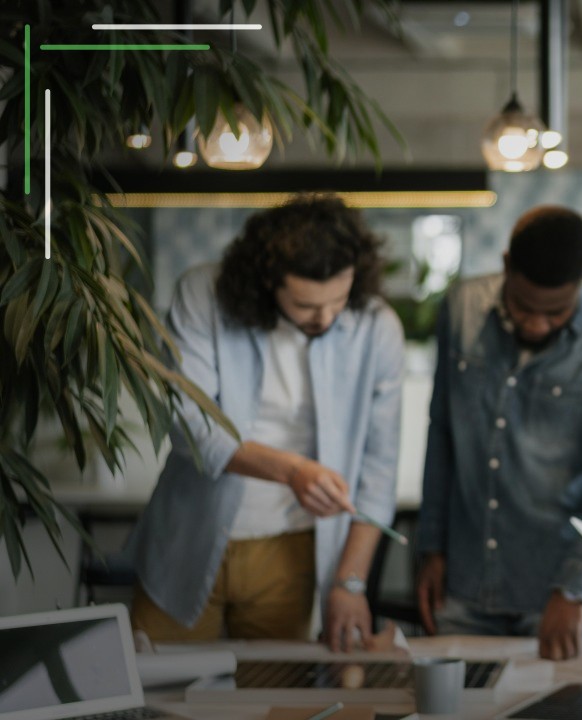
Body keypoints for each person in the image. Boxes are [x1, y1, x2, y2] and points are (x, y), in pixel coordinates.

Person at [128, 195, 404, 652]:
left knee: (274, 698)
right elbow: (187, 423)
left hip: (290, 549)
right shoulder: (203, 295)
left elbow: (379, 470)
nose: (327, 317)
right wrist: (292, 470)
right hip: (186, 540)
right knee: (156, 692)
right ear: (267, 281)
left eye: (338, 299)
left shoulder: (376, 327)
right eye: (306, 305)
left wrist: (349, 583)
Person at [416, 205, 582, 661]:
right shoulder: (462, 309)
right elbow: (442, 431)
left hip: (555, 591)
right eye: (523, 307)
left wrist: (574, 584)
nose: (536, 324)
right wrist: (432, 546)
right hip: (462, 584)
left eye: (556, 313)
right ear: (506, 265)